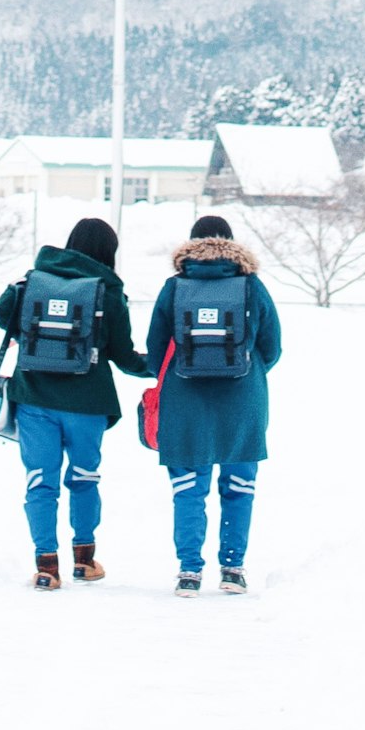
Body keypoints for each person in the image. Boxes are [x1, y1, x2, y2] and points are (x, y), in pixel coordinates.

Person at [0, 214, 150, 590]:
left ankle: (46, 565)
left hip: (34, 398)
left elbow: (2, 317)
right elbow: (124, 356)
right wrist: (159, 367)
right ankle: (85, 559)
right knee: (84, 479)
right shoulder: (107, 292)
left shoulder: (32, 281)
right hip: (88, 403)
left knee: (40, 481)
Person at [142, 212, 283, 593]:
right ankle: (233, 569)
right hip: (243, 400)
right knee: (239, 486)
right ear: (232, 244)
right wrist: (244, 371)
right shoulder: (252, 286)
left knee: (189, 487)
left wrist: (180, 373)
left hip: (185, 400)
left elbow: (155, 351)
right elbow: (272, 346)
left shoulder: (174, 287)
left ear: (190, 245)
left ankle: (189, 571)